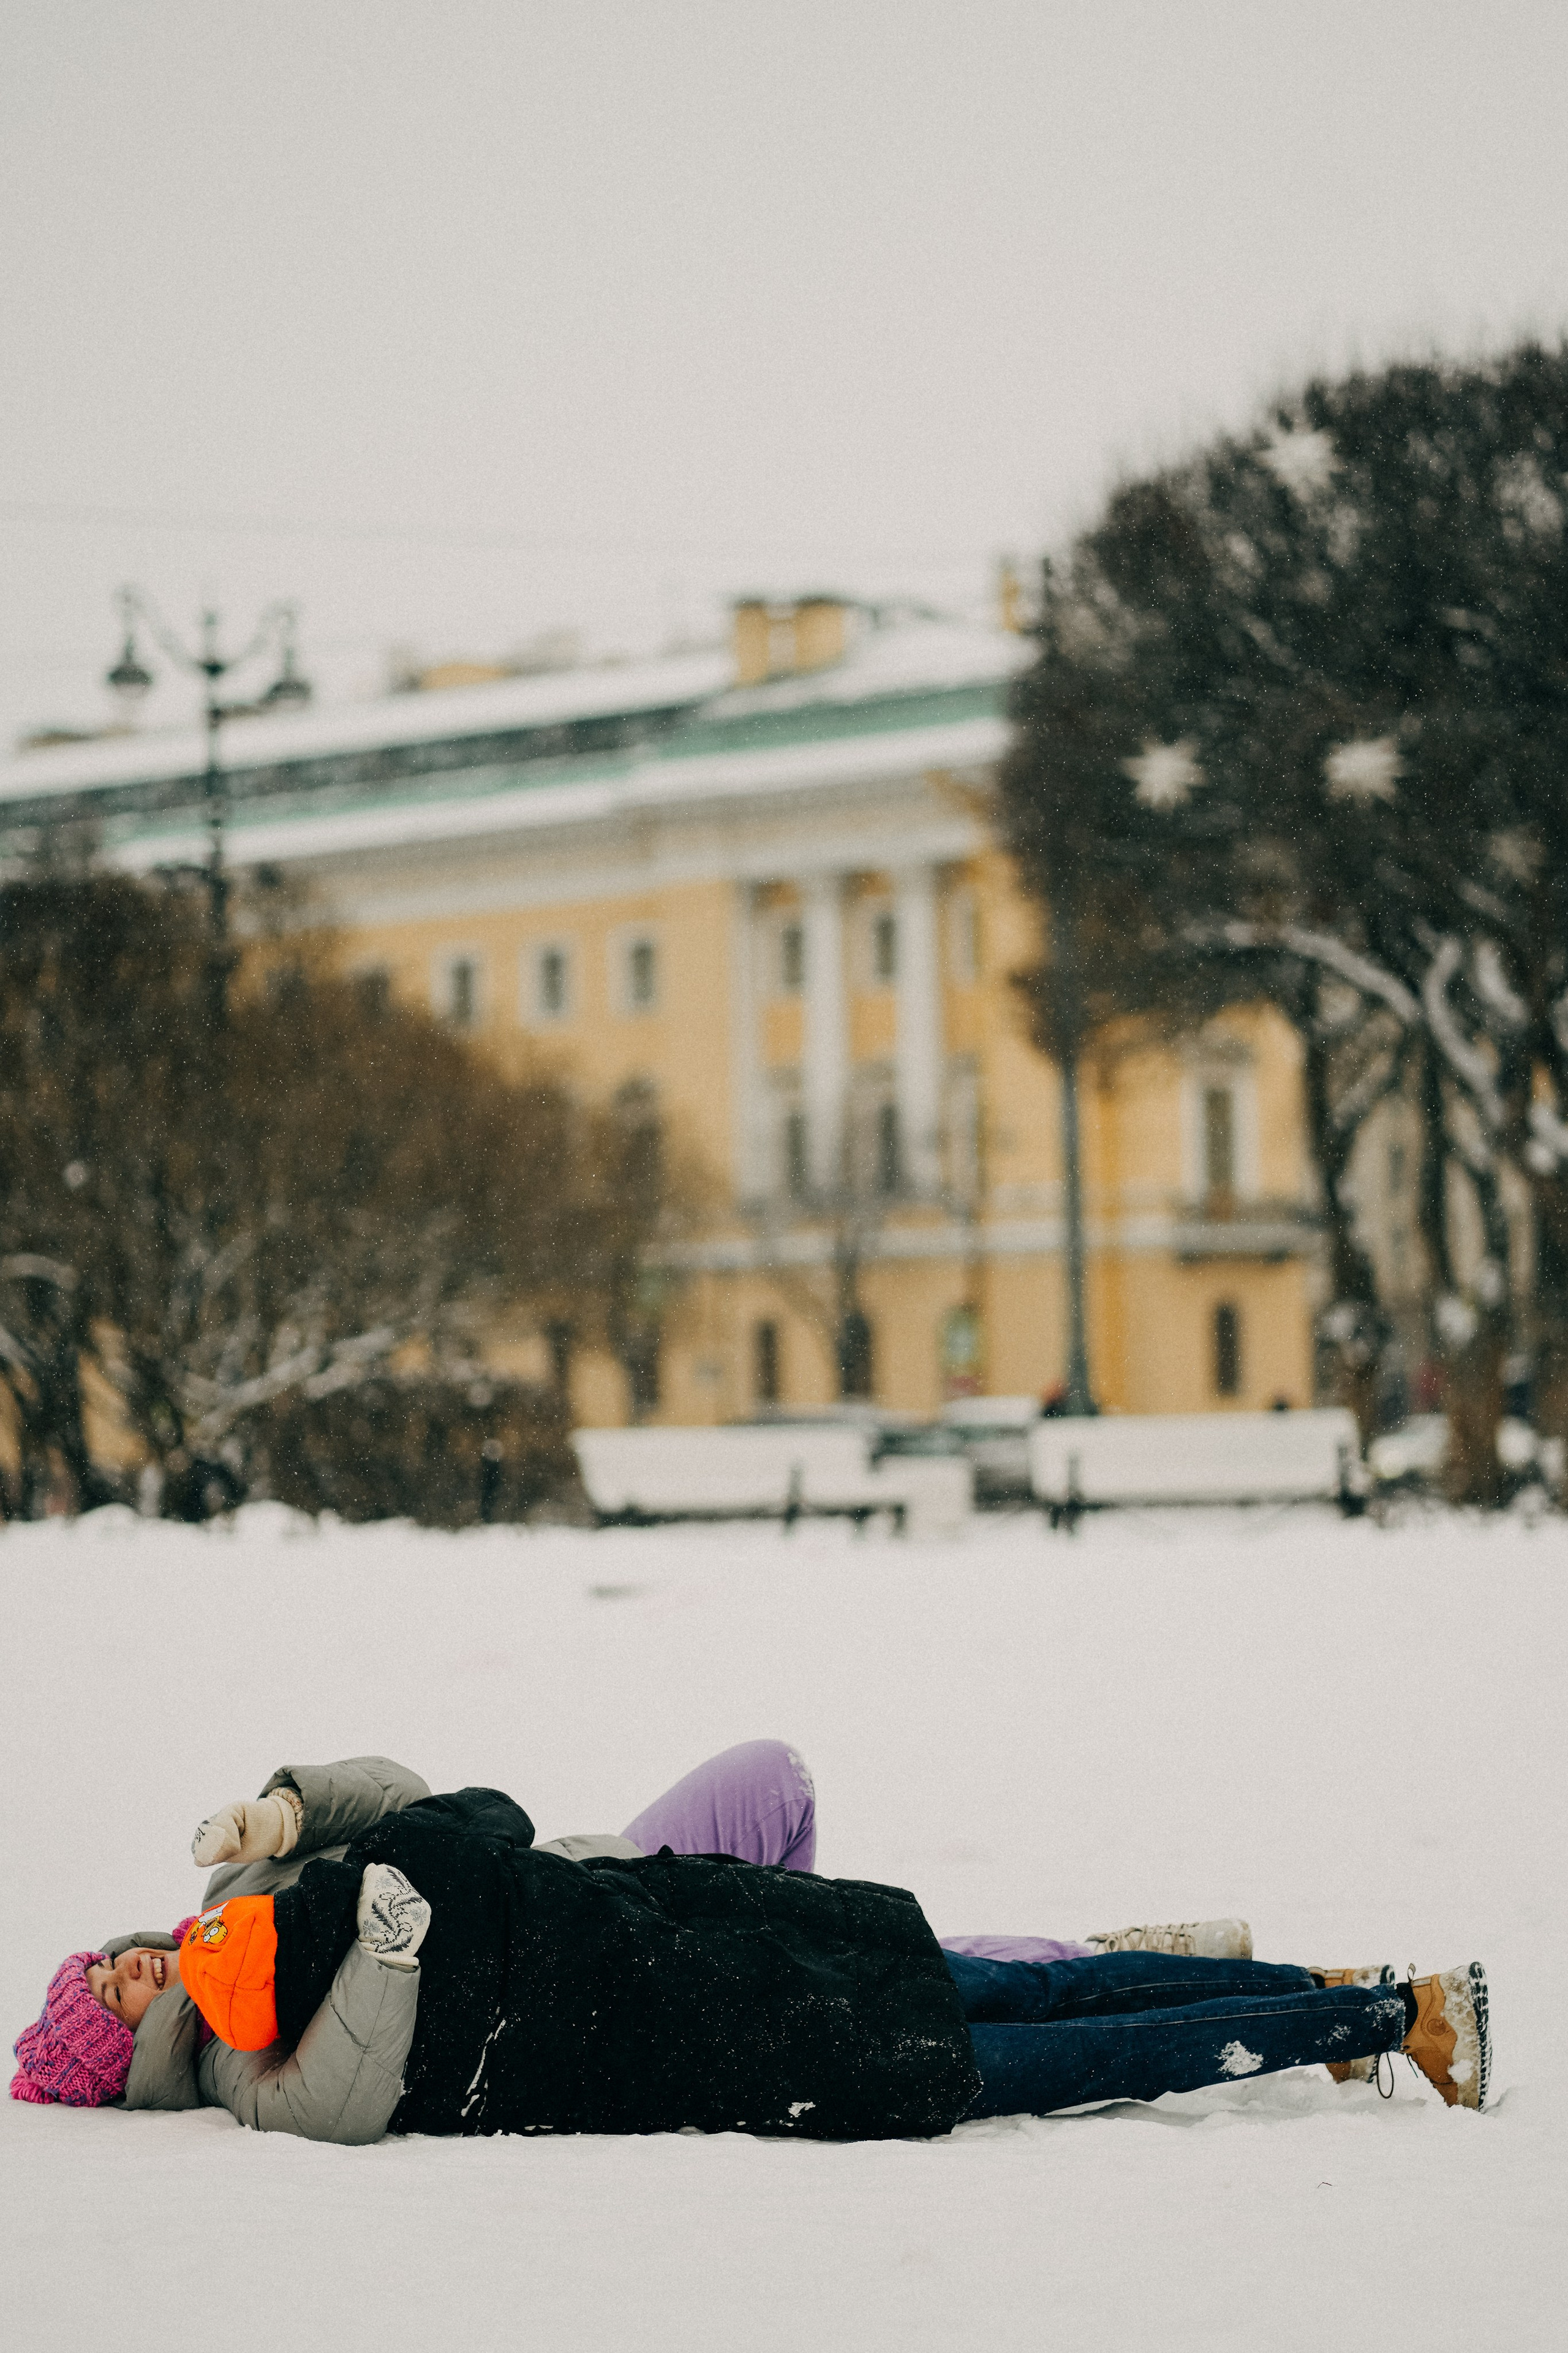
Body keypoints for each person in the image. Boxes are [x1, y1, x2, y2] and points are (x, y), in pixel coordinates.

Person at [11, 1746, 1489, 2134]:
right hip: (707, 2021)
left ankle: (1352, 1997)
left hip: (678, 1928)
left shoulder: (242, 1909)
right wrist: (392, 1954)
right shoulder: (227, 2060)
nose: (130, 1979)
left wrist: (280, 1816)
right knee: (1053, 2044)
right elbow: (335, 2103)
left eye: (110, 1962)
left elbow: (404, 1802)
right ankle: (1372, 2014)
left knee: (1039, 1999)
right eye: (113, 2007)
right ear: (126, 2056)